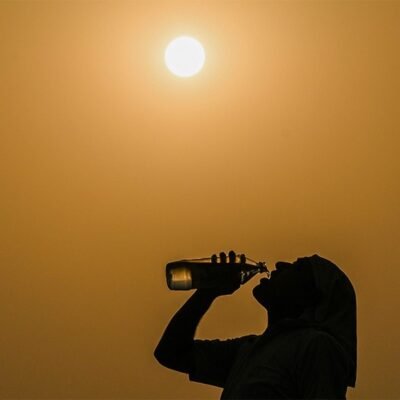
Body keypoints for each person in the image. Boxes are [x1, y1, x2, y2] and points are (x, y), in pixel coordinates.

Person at [154, 252, 357, 399]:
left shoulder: (316, 346)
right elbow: (170, 353)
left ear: (310, 297)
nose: (280, 264)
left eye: (297, 268)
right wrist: (207, 292)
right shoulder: (247, 350)